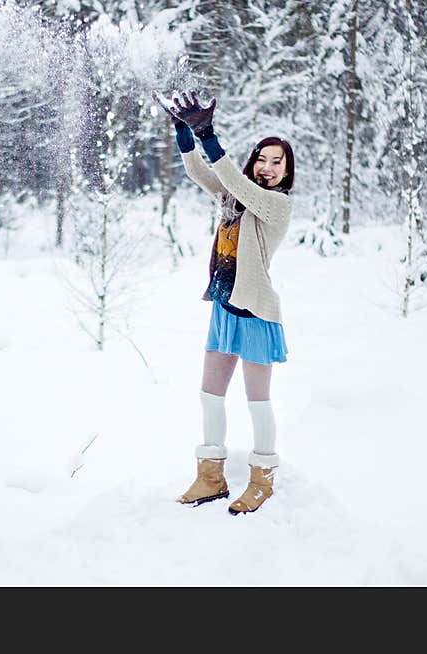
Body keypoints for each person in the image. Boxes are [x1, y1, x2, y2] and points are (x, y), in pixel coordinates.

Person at [153, 90, 294, 515]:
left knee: (257, 400)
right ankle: (210, 477)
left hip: (255, 311)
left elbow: (231, 177)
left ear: (286, 172)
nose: (266, 167)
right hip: (224, 307)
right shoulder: (235, 194)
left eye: (276, 162)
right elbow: (202, 171)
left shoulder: (276, 204)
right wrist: (183, 130)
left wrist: (209, 133)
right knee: (210, 394)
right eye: (262, 159)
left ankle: (262, 480)